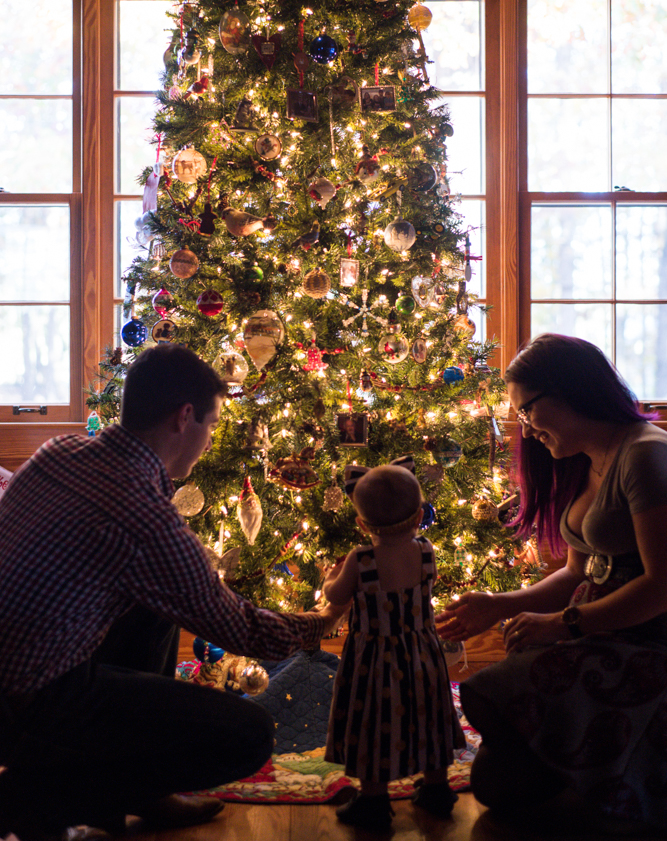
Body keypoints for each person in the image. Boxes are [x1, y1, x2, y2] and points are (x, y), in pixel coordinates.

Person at [0, 344, 344, 841]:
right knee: (247, 736)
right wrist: (328, 617)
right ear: (185, 417)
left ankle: (138, 794)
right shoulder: (141, 512)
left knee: (154, 607)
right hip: (32, 696)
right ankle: (31, 797)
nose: (209, 441)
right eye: (212, 424)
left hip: (20, 662)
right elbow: (241, 629)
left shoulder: (61, 452)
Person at [437, 333, 667, 832]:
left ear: (568, 392)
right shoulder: (589, 460)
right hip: (597, 633)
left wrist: (564, 626)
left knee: (486, 694)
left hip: (645, 641)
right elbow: (576, 574)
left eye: (528, 411)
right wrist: (497, 605)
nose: (526, 428)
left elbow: (660, 585)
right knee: (495, 783)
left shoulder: (645, 455)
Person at [323, 460, 464, 831]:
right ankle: (436, 790)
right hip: (422, 654)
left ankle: (373, 800)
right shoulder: (427, 551)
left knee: (375, 723)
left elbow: (336, 596)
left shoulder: (361, 559)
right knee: (428, 716)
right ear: (420, 515)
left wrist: (329, 578)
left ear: (362, 524)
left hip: (374, 661)